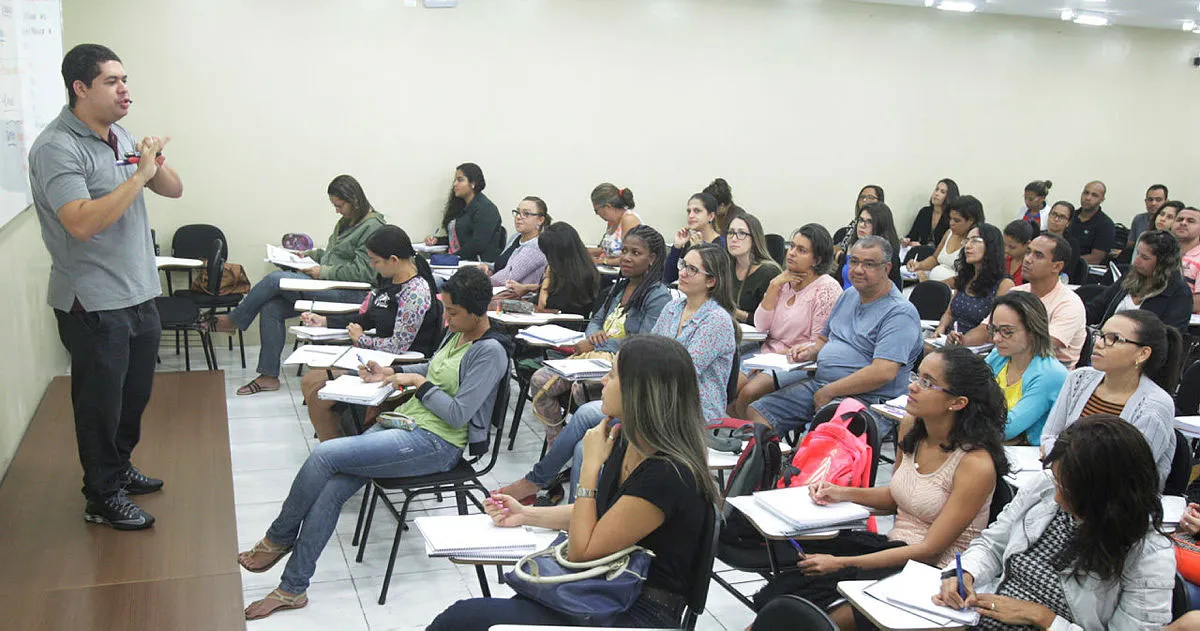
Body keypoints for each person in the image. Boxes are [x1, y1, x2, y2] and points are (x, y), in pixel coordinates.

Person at [238, 267, 512, 620]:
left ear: (479, 311)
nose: (447, 318)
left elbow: (459, 414)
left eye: (454, 312)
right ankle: (293, 589)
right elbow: (435, 368)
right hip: (408, 423)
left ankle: (278, 537)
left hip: (437, 442)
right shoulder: (457, 334)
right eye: (446, 309)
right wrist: (393, 375)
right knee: (332, 488)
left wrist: (416, 381)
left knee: (324, 456)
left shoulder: (490, 352)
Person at [429, 336, 721, 631]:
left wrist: (590, 468)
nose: (603, 380)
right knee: (470, 616)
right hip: (605, 587)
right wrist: (526, 515)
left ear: (641, 392)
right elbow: (602, 516)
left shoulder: (668, 474)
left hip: (639, 612)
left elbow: (584, 549)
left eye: (614, 374)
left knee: (463, 619)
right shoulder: (625, 439)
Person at [30, 43, 184, 530]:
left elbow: (174, 188)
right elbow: (79, 223)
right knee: (100, 406)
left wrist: (151, 161)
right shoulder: (57, 147)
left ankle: (117, 469)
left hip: (138, 293)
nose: (125, 90)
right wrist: (139, 176)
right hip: (92, 301)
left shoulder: (119, 134)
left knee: (133, 398)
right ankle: (100, 495)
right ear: (80, 88)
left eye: (125, 80)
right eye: (112, 82)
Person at [752, 347, 1008, 629]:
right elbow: (898, 496)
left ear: (957, 402)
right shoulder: (912, 426)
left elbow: (928, 549)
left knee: (816, 621)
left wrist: (842, 563)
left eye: (926, 382)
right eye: (916, 376)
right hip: (894, 550)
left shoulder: (976, 463)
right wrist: (840, 491)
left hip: (932, 574)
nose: (912, 386)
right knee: (779, 609)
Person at [498, 243, 739, 505]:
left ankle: (540, 485)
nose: (683, 272)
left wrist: (631, 387)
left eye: (693, 269)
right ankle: (570, 511)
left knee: (587, 414)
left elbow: (681, 374)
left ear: (712, 281)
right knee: (584, 443)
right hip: (655, 400)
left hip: (691, 414)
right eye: (683, 265)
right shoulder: (673, 309)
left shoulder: (716, 320)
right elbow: (646, 352)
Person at [935, 415, 1175, 630]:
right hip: (982, 620)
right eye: (1058, 481)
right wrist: (964, 572)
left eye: (1070, 490)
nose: (1057, 497)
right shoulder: (1046, 487)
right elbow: (992, 544)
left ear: (1106, 496)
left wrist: (1044, 618)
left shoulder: (1149, 554)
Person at [215, 174, 384, 395]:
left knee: (277, 279)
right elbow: (336, 256)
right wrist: (308, 256)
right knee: (271, 307)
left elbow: (364, 273)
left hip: (350, 294)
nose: (337, 210)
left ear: (355, 201)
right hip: (329, 287)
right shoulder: (346, 222)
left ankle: (234, 320)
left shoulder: (372, 227)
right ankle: (268, 375)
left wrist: (322, 271)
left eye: (340, 205)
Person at [749, 236, 923, 435]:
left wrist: (831, 391)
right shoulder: (849, 295)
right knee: (757, 412)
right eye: (854, 261)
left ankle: (798, 462)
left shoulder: (900, 313)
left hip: (866, 399)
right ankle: (775, 464)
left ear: (887, 268)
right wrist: (810, 351)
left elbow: (883, 372)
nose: (857, 270)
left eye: (869, 264)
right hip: (822, 385)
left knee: (816, 440)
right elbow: (824, 339)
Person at [524, 225, 670, 452]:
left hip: (622, 364)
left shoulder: (657, 296)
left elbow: (643, 343)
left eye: (635, 253)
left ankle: (593, 449)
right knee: (539, 380)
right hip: (594, 356)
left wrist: (597, 342)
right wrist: (593, 334)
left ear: (652, 259)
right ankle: (559, 444)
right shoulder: (620, 287)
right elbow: (595, 319)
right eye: (624, 251)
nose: (626, 258)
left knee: (581, 390)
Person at [298, 226, 440, 441]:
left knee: (318, 397)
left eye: (375, 261)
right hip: (376, 358)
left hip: (398, 365)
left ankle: (337, 454)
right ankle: (341, 442)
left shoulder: (416, 292)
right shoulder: (389, 280)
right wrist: (325, 321)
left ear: (393, 259)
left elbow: (398, 345)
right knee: (309, 380)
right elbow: (365, 319)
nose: (371, 265)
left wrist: (362, 339)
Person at [1040, 309, 1181, 488]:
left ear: (1142, 353)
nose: (1098, 344)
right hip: (1063, 482)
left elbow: (1132, 475)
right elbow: (1050, 435)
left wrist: (1067, 466)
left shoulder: (1155, 405)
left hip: (1113, 504)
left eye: (1114, 339)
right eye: (1100, 335)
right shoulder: (1079, 378)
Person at [733, 224, 842, 418]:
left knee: (749, 393)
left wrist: (774, 358)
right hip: (768, 353)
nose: (791, 253)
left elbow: (819, 341)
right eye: (791, 246)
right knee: (733, 385)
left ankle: (749, 441)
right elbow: (761, 325)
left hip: (798, 361)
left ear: (816, 259)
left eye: (801, 250)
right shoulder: (782, 282)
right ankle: (732, 437)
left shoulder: (826, 289)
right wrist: (774, 285)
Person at [962, 233, 1087, 368]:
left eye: (1038, 255)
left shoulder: (1069, 304)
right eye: (1028, 252)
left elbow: (1042, 345)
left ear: (1057, 266)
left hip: (1046, 374)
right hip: (1008, 366)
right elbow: (986, 329)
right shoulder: (1016, 292)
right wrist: (961, 342)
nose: (1027, 259)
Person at [983, 292, 1067, 445]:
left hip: (1028, 456)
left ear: (1033, 331)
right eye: (994, 329)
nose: (996, 338)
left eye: (1007, 332)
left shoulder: (1050, 374)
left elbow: (1006, 429)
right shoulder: (998, 356)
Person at [1085, 229, 1192, 332]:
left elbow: (1169, 336)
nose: (1136, 261)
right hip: (1106, 340)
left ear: (1163, 263)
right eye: (1138, 254)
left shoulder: (1180, 292)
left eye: (1145, 258)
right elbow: (1096, 308)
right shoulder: (1130, 276)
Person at [932, 223, 1013, 344]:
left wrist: (962, 341)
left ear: (991, 246)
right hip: (949, 339)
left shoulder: (1004, 284)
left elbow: (992, 328)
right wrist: (941, 328)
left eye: (975, 241)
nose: (968, 246)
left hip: (975, 346)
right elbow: (949, 313)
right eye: (967, 241)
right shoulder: (966, 277)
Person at [505, 222, 601, 317]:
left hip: (559, 326)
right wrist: (527, 288)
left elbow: (543, 306)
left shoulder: (576, 280)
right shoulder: (579, 270)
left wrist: (547, 276)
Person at [424, 163, 502, 261]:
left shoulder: (486, 209)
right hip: (460, 260)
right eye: (455, 180)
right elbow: (459, 239)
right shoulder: (461, 206)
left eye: (460, 180)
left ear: (473, 183)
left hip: (476, 265)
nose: (455, 184)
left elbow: (477, 245)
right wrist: (437, 240)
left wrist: (451, 258)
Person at [908, 195, 985, 284]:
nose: (951, 223)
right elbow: (935, 259)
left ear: (971, 220)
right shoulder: (949, 233)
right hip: (934, 285)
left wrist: (931, 284)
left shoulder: (978, 243)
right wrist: (919, 265)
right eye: (950, 218)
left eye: (956, 220)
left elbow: (967, 277)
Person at [725, 211, 781, 322]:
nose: (734, 238)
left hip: (756, 336)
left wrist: (736, 313)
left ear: (754, 239)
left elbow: (773, 321)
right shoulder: (726, 267)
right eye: (730, 232)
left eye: (741, 233)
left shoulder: (769, 273)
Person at [487, 196, 550, 292]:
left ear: (540, 220)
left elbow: (506, 276)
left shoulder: (537, 246)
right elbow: (500, 264)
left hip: (519, 299)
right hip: (499, 291)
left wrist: (479, 281)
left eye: (526, 214)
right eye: (517, 212)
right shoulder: (516, 237)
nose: (518, 217)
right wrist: (485, 267)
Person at [662, 192, 726, 284]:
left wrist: (698, 251)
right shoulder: (689, 241)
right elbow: (668, 278)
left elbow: (712, 282)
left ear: (711, 216)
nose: (691, 216)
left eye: (697, 211)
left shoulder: (721, 245)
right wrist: (677, 247)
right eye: (689, 211)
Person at [838, 201, 902, 290]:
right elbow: (838, 280)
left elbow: (895, 289)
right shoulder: (851, 246)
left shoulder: (889, 255)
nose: (862, 225)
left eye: (869, 222)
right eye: (860, 220)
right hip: (846, 299)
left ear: (881, 226)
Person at [587, 183, 641, 266]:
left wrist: (602, 261)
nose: (597, 214)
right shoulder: (612, 222)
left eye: (597, 211)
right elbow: (610, 250)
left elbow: (631, 257)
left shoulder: (629, 220)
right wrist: (583, 252)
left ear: (607, 207)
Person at [1067, 180, 1115, 266]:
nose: (1088, 198)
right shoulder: (1069, 216)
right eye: (1086, 193)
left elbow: (1095, 258)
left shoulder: (1106, 224)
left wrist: (1065, 261)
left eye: (1094, 195)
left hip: (1084, 271)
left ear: (1102, 199)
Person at [903, 178, 958, 248]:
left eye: (942, 192)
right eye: (936, 189)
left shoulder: (951, 218)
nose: (936, 193)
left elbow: (948, 246)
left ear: (950, 197)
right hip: (920, 254)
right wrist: (907, 240)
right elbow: (912, 235)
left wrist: (922, 247)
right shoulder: (925, 212)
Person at [834, 185, 885, 253]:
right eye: (862, 197)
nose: (865, 200)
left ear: (879, 201)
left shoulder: (882, 227)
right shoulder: (852, 226)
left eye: (870, 197)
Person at [1044, 201, 1082, 283]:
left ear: (1068, 222)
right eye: (1054, 214)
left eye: (1062, 217)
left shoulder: (1071, 244)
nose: (1056, 219)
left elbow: (1067, 271)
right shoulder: (1038, 237)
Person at [1173, 206, 1200, 313]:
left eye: (1191, 221)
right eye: (1179, 219)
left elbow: (1198, 303)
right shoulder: (1160, 253)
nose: (1183, 223)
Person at [1128, 183, 1169, 249]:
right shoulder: (1138, 219)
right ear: (1145, 201)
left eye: (1158, 200)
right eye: (1150, 200)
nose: (1153, 203)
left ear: (1166, 202)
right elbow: (1131, 245)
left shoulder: (1171, 222)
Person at [1002, 219, 1035, 286]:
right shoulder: (1003, 260)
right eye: (1004, 245)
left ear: (1027, 244)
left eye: (1012, 247)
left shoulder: (1031, 266)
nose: (1006, 250)